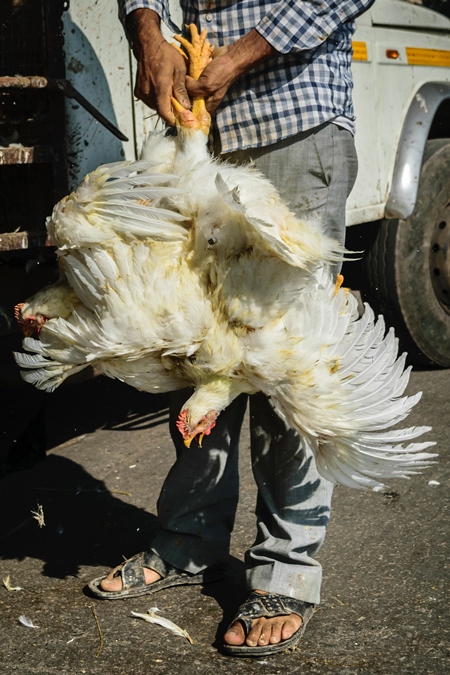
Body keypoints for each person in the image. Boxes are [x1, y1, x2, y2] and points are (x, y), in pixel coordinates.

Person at [88, 0, 374, 656]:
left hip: (291, 123)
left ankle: (286, 566)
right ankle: (189, 538)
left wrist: (240, 55)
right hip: (198, 131)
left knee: (285, 359)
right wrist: (149, 34)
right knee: (193, 344)